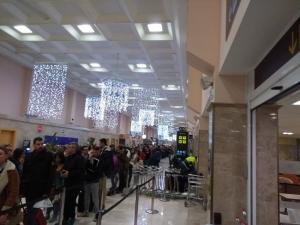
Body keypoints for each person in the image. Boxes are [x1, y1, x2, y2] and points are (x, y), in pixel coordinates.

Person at [22, 137, 54, 225]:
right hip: (29, 189)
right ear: (34, 145)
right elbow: (25, 172)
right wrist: (22, 188)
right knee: (29, 210)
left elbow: (50, 174)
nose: (40, 146)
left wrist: (48, 189)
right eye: (38, 144)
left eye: (41, 144)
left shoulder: (48, 156)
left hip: (40, 189)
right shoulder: (28, 156)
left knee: (35, 212)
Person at [62, 143, 85, 225]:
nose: (70, 149)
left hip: (75, 184)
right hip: (68, 183)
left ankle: (70, 218)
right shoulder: (67, 158)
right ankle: (65, 217)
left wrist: (70, 173)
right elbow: (65, 168)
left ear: (76, 149)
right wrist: (63, 172)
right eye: (69, 147)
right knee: (67, 201)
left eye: (73, 147)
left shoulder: (79, 159)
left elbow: (81, 171)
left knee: (71, 202)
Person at [0, 145, 20, 225]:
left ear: (6, 156)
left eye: (0, 154)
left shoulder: (11, 170)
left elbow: (13, 193)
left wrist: (5, 213)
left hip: (6, 209)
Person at [82, 146, 100, 221]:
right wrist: (88, 160)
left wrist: (89, 169)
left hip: (94, 181)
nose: (93, 154)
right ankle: (86, 211)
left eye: (95, 152)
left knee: (95, 198)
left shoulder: (98, 160)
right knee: (86, 197)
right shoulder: (87, 159)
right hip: (87, 180)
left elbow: (96, 171)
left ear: (97, 152)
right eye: (92, 152)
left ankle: (97, 214)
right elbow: (84, 167)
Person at [98, 138, 112, 210]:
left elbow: (106, 162)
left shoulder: (107, 150)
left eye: (100, 143)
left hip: (103, 173)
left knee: (103, 189)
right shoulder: (103, 150)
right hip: (101, 172)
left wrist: (103, 171)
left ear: (103, 143)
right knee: (100, 189)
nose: (99, 144)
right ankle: (100, 203)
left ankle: (102, 204)